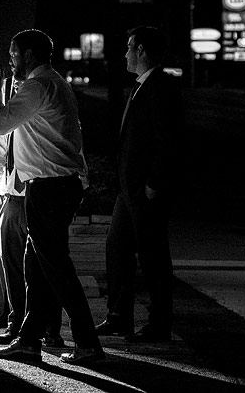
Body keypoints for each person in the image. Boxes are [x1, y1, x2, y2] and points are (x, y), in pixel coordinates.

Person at [0, 29, 105, 367]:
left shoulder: (38, 86)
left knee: (55, 268)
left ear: (28, 55)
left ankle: (87, 343)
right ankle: (28, 339)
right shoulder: (53, 83)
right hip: (54, 186)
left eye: (13, 53)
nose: (10, 61)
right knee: (36, 265)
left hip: (49, 188)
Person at [97, 26, 183, 342]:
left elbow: (168, 141)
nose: (125, 54)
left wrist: (154, 184)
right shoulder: (142, 86)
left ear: (142, 50)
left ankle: (159, 324)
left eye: (129, 47)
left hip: (145, 190)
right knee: (117, 247)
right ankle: (118, 316)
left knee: (152, 256)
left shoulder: (159, 87)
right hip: (129, 188)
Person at [0, 114, 65, 349]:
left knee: (48, 265)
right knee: (12, 265)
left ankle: (51, 329)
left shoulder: (47, 118)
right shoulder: (9, 117)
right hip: (12, 197)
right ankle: (16, 324)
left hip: (43, 194)